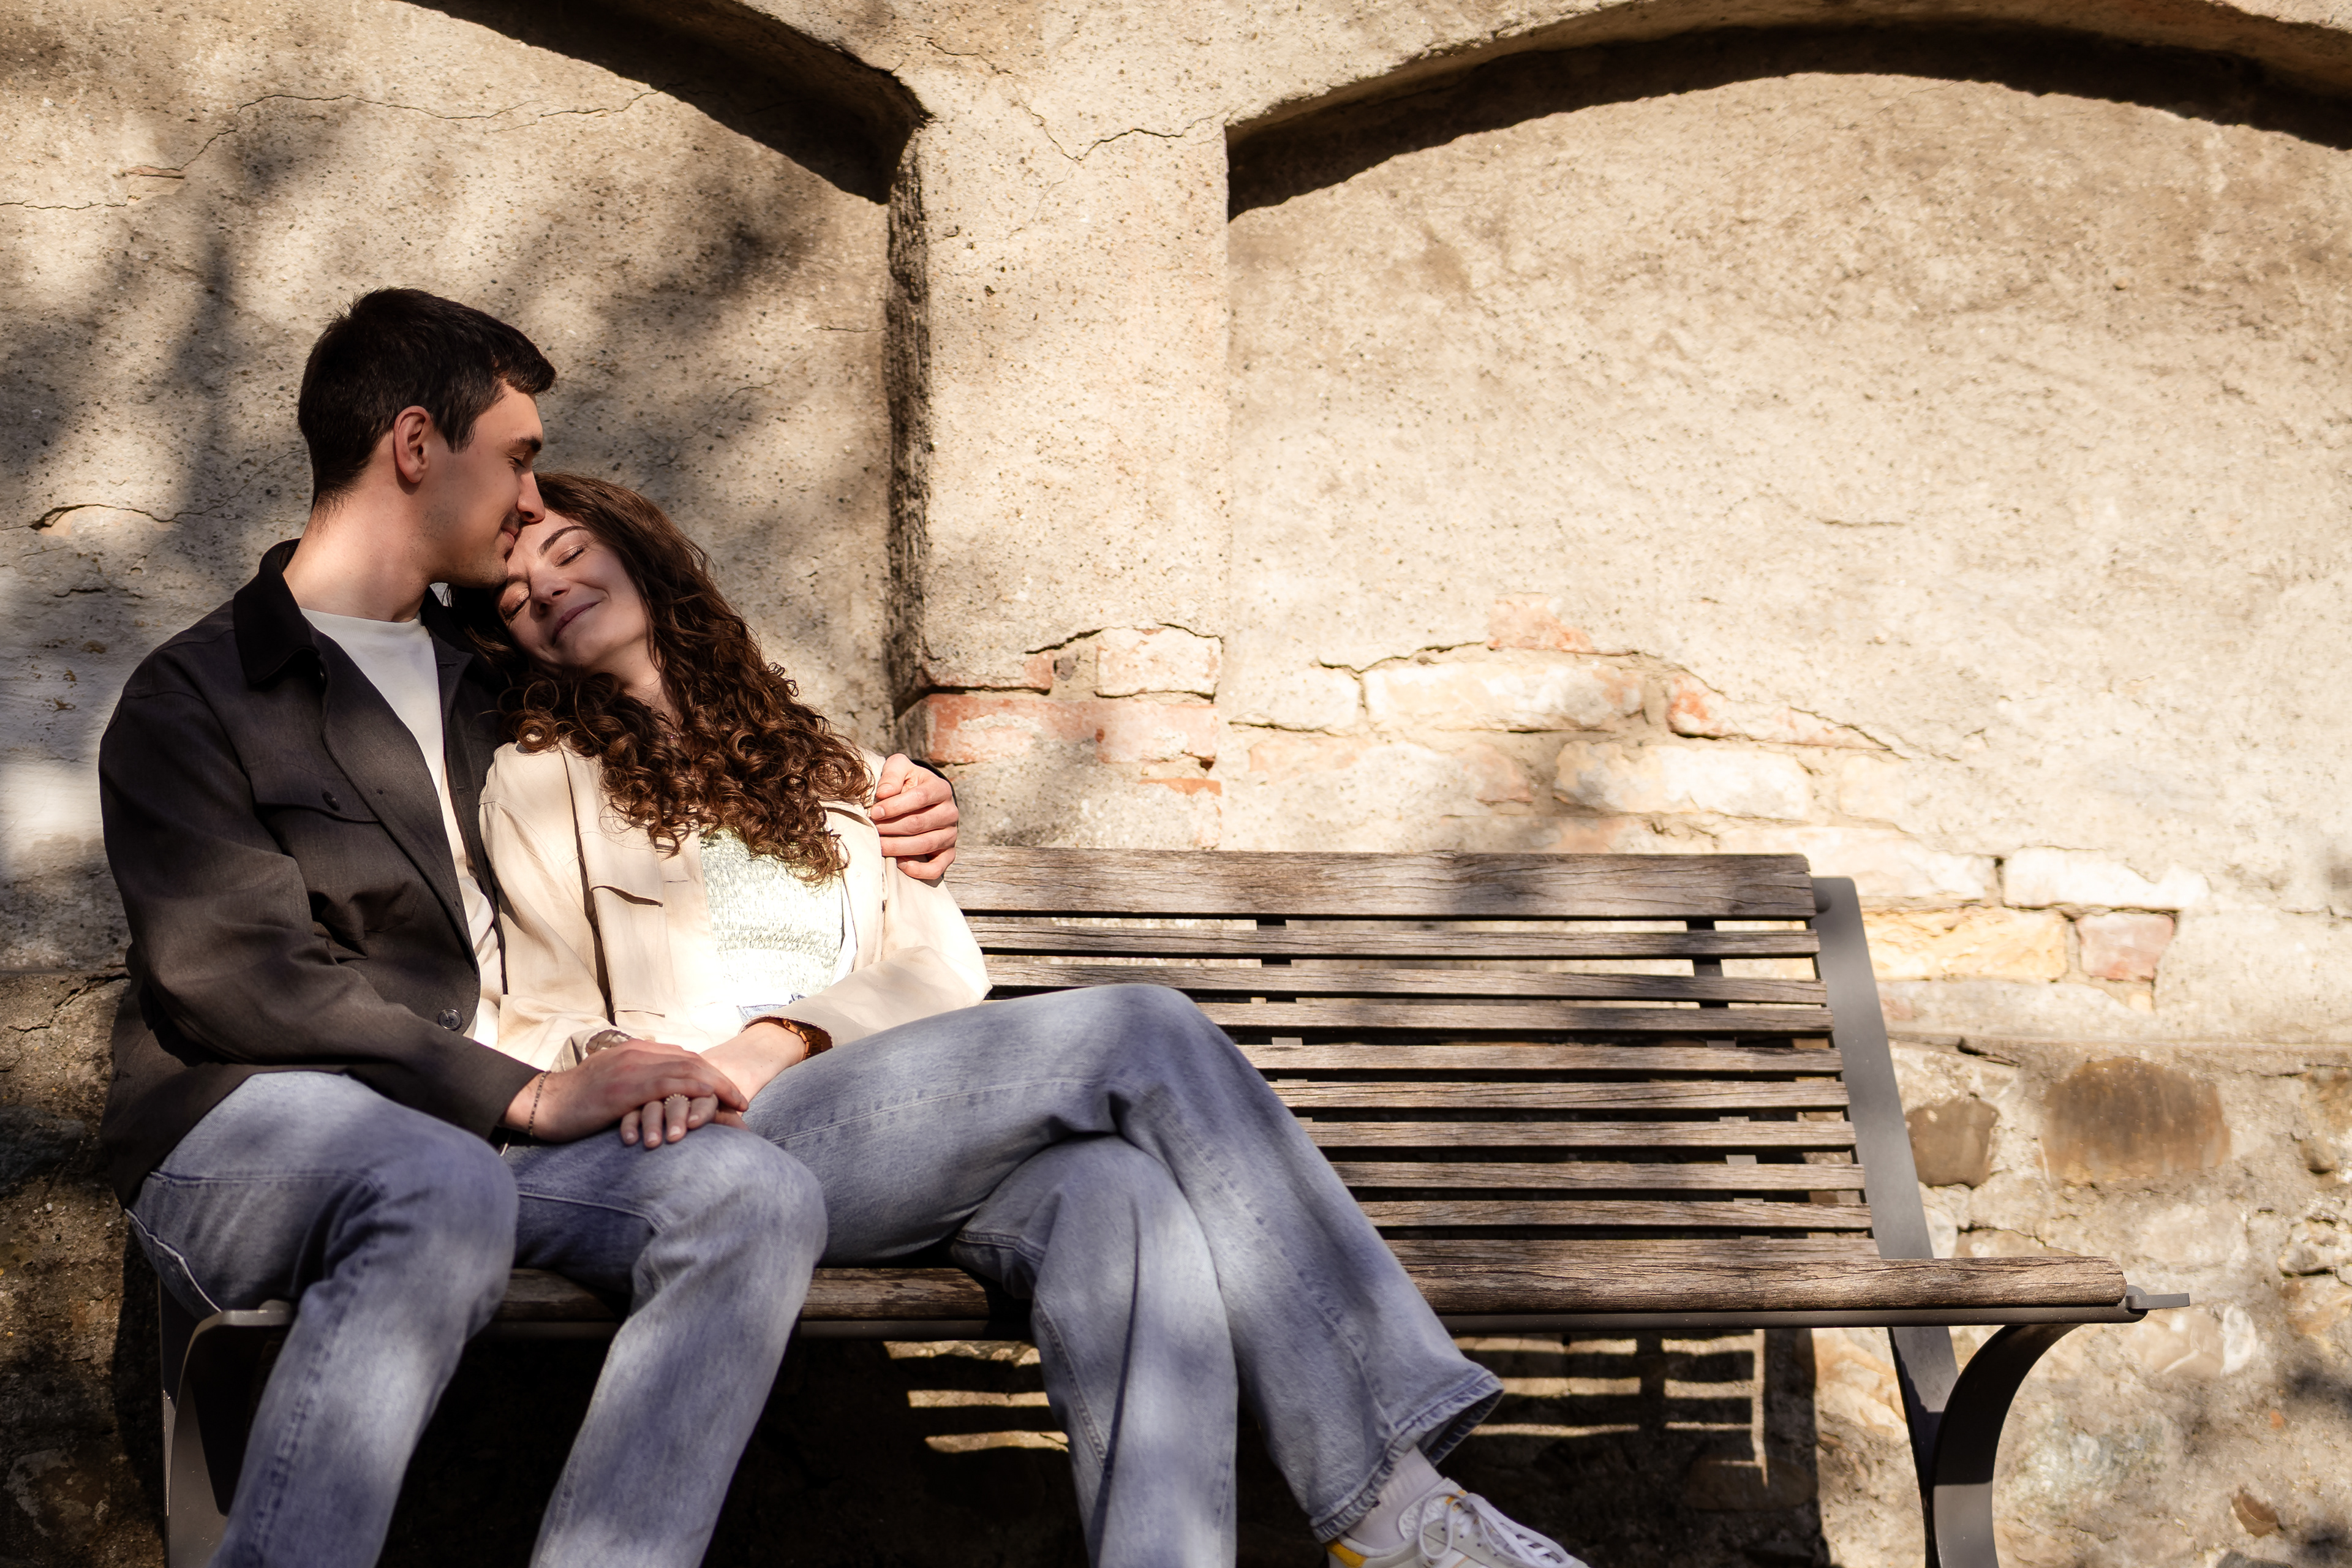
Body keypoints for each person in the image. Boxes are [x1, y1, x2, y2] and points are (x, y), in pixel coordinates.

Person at [478, 472, 1597, 1568]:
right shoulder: (539, 781)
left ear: (645, 553)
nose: (546, 589)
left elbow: (939, 961)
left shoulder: (832, 767)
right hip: (724, 1134)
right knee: (1143, 1030)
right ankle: (1392, 1503)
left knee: (1129, 1198)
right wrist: (655, 1061)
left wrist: (785, 1035)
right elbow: (537, 1000)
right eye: (516, 595)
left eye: (569, 552)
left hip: (880, 1113)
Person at [96, 287, 962, 1568]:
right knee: (430, 1181)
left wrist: (897, 797)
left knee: (750, 1194)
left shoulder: (502, 666)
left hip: (489, 1120)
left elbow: (703, 738)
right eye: (517, 456)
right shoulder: (199, 693)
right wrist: (531, 1097)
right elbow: (243, 979)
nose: (528, 497)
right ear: (412, 445)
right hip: (258, 1115)